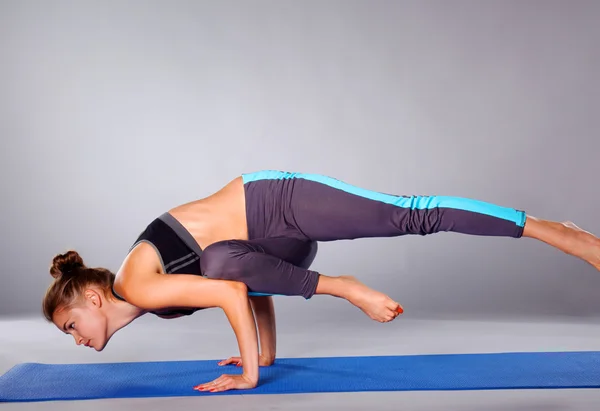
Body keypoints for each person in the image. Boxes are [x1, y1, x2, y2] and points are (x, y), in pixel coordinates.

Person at [42, 170, 600, 393]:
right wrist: (264, 355)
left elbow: (232, 291)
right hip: (267, 248)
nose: (77, 337)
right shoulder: (148, 298)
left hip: (279, 201)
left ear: (93, 297)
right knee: (216, 265)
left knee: (409, 213)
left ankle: (548, 230)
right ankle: (340, 285)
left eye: (72, 325)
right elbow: (241, 279)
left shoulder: (139, 286)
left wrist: (251, 377)